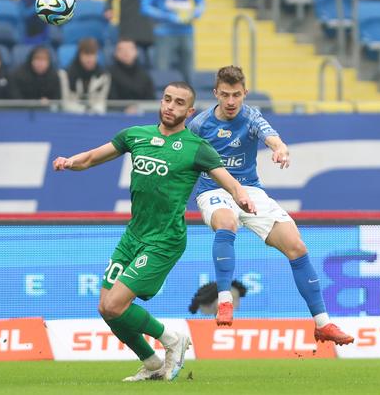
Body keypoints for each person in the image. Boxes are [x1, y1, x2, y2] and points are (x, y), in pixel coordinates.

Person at [53, 81, 256, 381]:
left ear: (189, 111)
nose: (170, 107)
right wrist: (70, 162)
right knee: (105, 308)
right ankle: (150, 363)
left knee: (115, 304)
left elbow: (227, 179)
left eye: (178, 103)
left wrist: (241, 195)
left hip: (165, 240)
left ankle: (172, 338)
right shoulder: (136, 136)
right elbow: (94, 157)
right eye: (167, 100)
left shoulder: (196, 148)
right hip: (133, 235)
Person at [187, 65, 354, 346]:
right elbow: (186, 164)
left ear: (245, 93)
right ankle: (225, 299)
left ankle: (322, 323)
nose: (230, 102)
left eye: (236, 95)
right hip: (213, 190)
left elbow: (270, 136)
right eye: (225, 95)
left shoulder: (251, 116)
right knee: (227, 222)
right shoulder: (200, 125)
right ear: (216, 93)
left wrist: (279, 148)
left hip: (251, 191)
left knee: (296, 245)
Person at [141, 0, 204, 83]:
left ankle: (188, 102)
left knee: (188, 75)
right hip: (164, 33)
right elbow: (145, 7)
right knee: (162, 74)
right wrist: (166, 16)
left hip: (187, 32)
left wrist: (195, 13)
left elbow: (201, 2)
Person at [60, 38, 111, 114]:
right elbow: (65, 102)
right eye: (86, 55)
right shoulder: (65, 75)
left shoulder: (104, 76)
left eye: (93, 54)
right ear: (79, 55)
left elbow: (101, 101)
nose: (89, 59)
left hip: (95, 117)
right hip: (72, 116)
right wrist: (84, 111)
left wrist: (94, 111)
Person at [108, 39, 155, 110]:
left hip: (141, 116)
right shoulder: (109, 74)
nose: (126, 52)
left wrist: (139, 108)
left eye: (130, 49)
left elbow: (151, 100)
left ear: (136, 52)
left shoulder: (144, 75)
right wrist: (123, 109)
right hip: (116, 116)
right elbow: (110, 101)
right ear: (115, 53)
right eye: (121, 49)